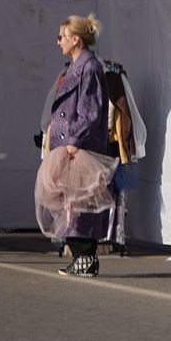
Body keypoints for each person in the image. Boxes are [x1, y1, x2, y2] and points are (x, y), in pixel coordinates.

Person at [39, 14, 113, 277]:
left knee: (80, 201)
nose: (58, 42)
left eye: (62, 37)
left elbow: (90, 111)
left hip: (78, 147)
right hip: (68, 145)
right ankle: (81, 256)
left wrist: (74, 140)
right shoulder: (74, 66)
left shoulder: (89, 67)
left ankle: (85, 257)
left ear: (75, 39)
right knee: (69, 200)